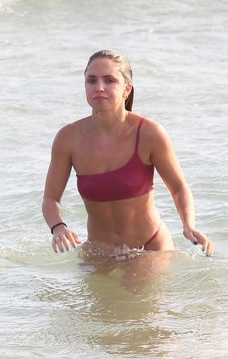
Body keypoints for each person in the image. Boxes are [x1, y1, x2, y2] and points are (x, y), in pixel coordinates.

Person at [42, 50, 213, 257]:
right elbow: (51, 198)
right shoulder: (68, 138)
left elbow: (178, 188)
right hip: (99, 250)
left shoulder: (149, 133)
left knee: (138, 291)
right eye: (91, 81)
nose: (99, 88)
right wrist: (58, 227)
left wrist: (189, 225)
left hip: (149, 248)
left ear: (126, 89)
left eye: (109, 80)